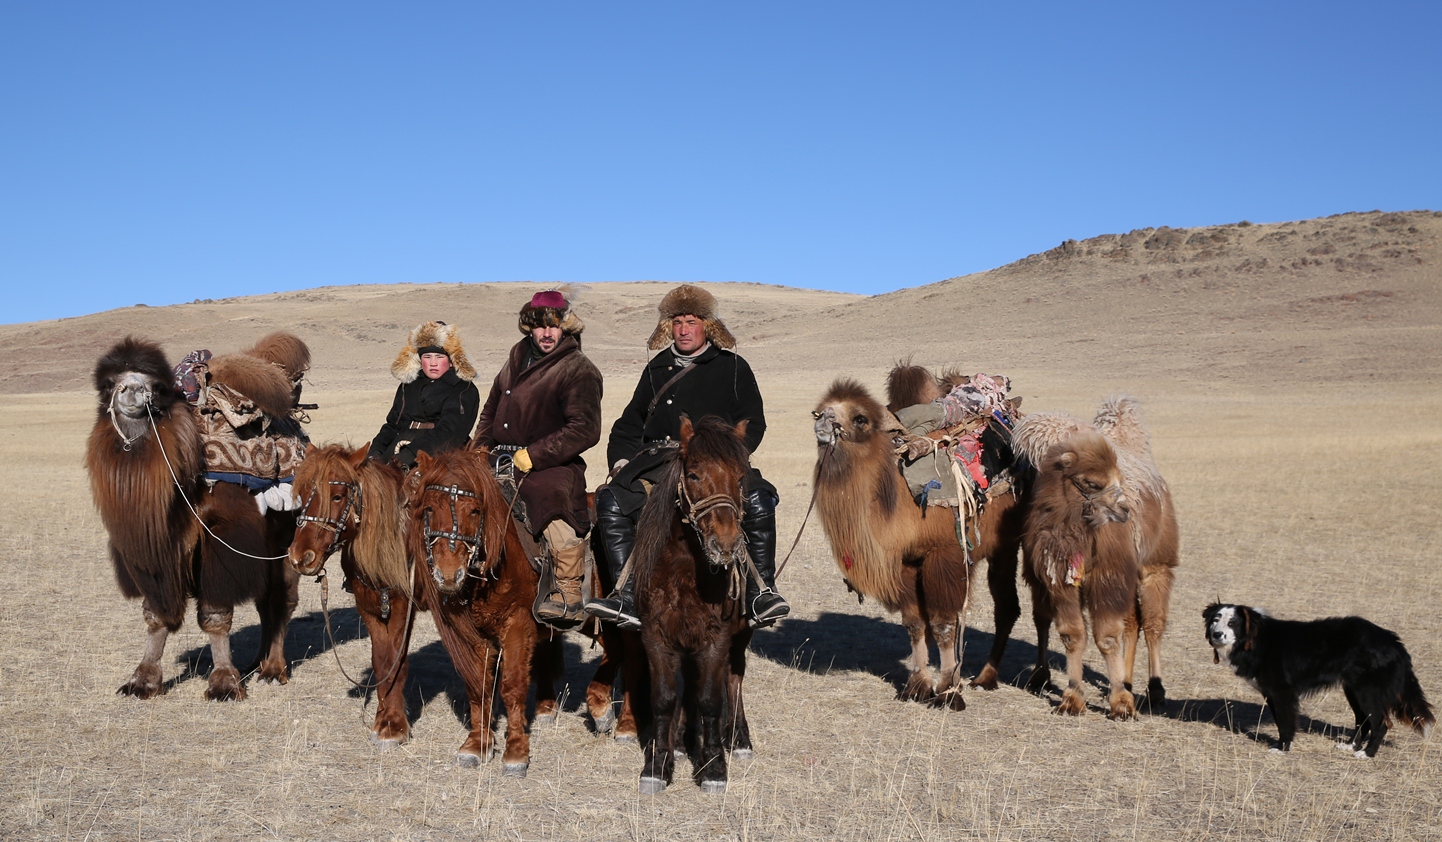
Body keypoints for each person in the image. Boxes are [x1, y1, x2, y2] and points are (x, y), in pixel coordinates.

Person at [585, 284, 790, 629]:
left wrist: (731, 454)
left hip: (717, 463)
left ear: (707, 325)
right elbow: (629, 424)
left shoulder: (732, 367)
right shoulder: (656, 370)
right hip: (659, 460)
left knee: (758, 498)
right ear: (669, 327)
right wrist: (621, 461)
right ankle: (626, 595)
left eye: (691, 321)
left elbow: (752, 421)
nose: (683, 329)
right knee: (611, 502)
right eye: (677, 322)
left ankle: (760, 591)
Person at [470, 291, 602, 623]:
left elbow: (584, 428)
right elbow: (489, 412)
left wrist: (535, 455)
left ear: (565, 327)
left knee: (550, 504)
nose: (546, 333)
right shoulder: (515, 359)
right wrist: (479, 449)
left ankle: (568, 590)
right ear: (529, 327)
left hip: (552, 463)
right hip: (498, 456)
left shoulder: (578, 368)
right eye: (539, 326)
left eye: (554, 326)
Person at [368, 321, 480, 467]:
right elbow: (392, 425)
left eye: (439, 357)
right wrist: (376, 451)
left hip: (443, 455)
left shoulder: (463, 389)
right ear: (420, 360)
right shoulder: (408, 386)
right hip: (399, 449)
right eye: (427, 356)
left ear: (451, 361)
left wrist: (411, 453)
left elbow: (450, 431)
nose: (433, 363)